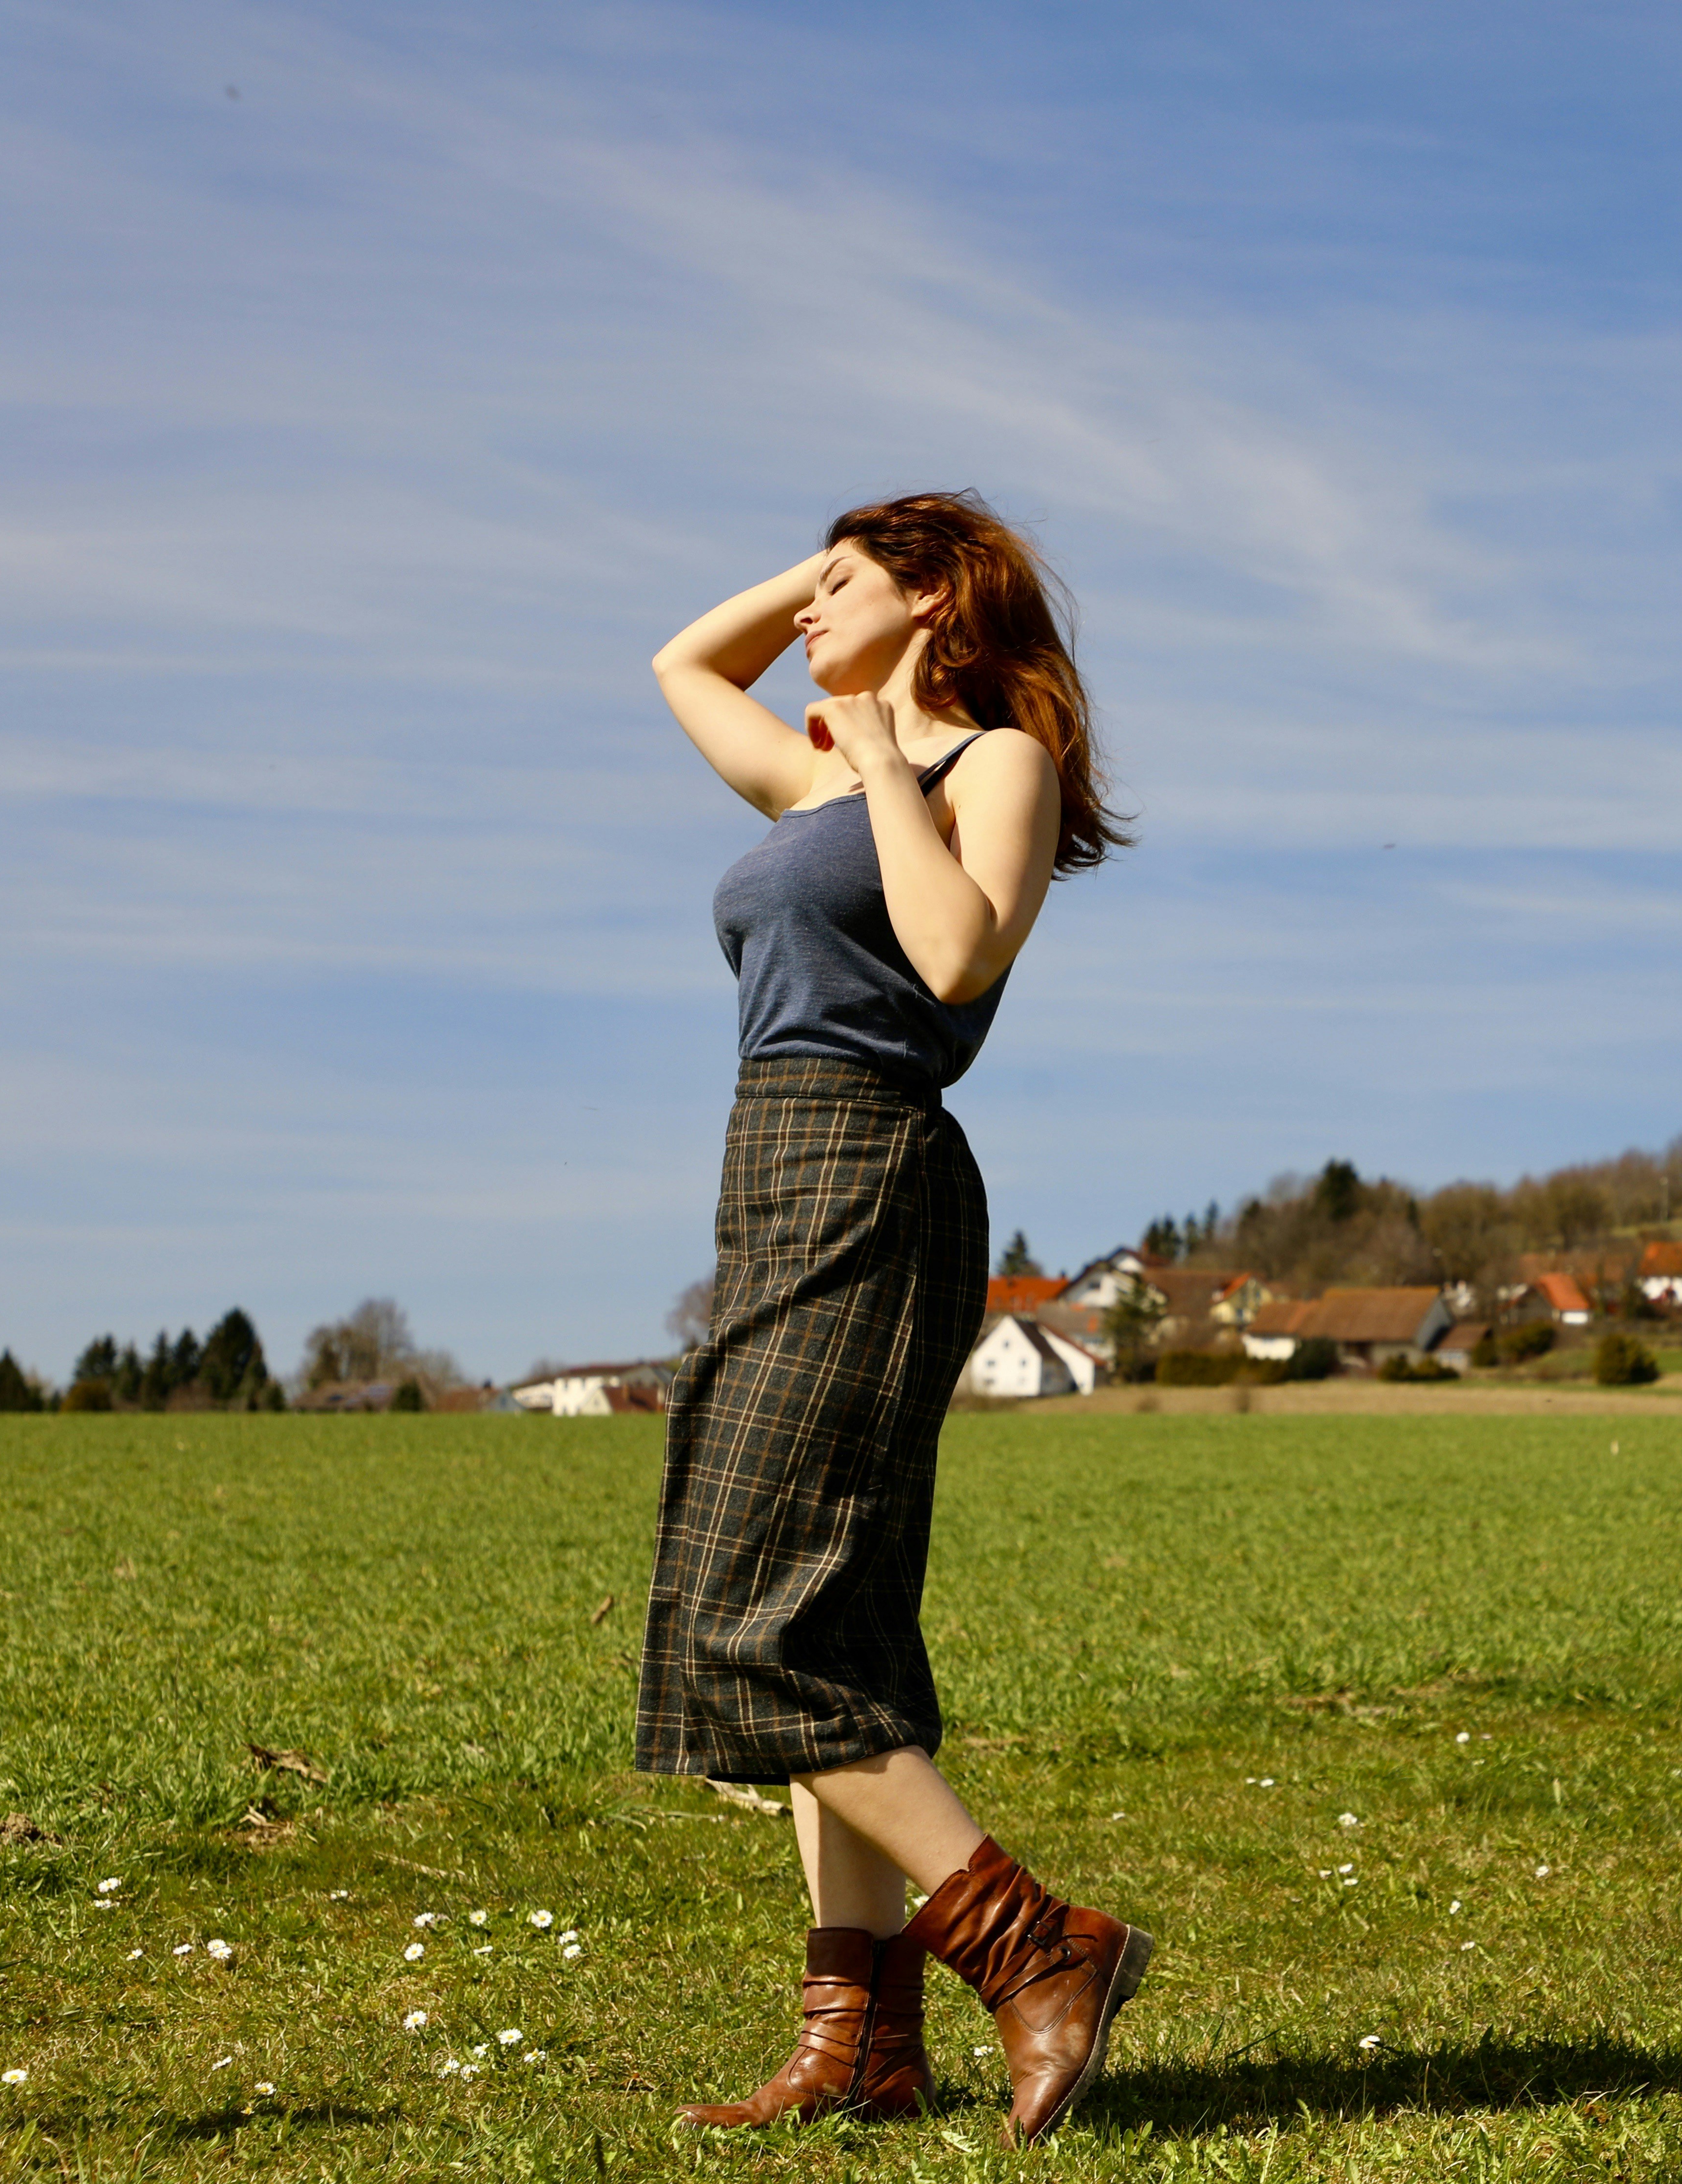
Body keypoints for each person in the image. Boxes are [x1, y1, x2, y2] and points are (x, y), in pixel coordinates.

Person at [637, 490, 1144, 2145]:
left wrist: (876, 711)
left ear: (935, 600)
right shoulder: (821, 777)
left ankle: (1037, 1943)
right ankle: (857, 2037)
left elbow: (946, 958)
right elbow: (675, 661)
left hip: (875, 1165)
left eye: (841, 581)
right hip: (771, 1170)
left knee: (751, 1620)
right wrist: (840, 577)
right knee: (828, 1618)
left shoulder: (985, 766)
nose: (801, 610)